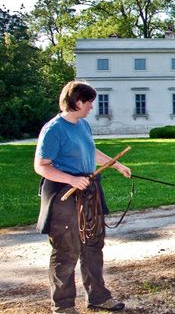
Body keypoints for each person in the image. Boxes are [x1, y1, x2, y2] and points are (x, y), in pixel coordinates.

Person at [34, 81, 132, 313]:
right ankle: (63, 305)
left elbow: (90, 151)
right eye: (89, 103)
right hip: (63, 195)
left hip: (88, 192)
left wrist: (115, 164)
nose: (91, 108)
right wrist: (71, 179)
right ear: (78, 102)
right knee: (66, 250)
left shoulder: (83, 125)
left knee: (93, 246)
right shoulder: (53, 129)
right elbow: (41, 166)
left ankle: (98, 297)